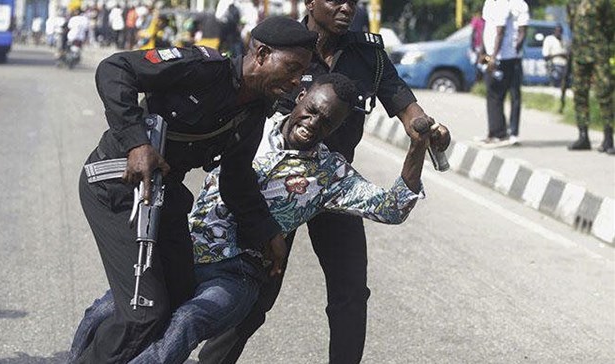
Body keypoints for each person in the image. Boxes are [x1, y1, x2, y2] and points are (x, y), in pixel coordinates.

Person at [68, 73, 432, 364]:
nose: (314, 123)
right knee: (110, 308)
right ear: (301, 98)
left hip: (237, 275)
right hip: (183, 249)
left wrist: (416, 148)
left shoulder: (331, 175)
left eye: (327, 123)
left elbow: (394, 207)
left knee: (186, 322)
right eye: (313, 111)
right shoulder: (249, 129)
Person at [199, 1, 452, 363]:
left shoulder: (370, 57)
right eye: (336, 0)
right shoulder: (284, 43)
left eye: (353, 1)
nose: (346, 7)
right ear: (310, 3)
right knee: (255, 290)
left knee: (350, 293)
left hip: (335, 186)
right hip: (277, 187)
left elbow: (407, 109)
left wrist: (428, 130)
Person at [72, 16, 317, 364]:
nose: (296, 81)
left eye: (301, 72)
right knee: (144, 311)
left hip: (163, 195)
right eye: (291, 68)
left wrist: (268, 231)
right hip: (120, 185)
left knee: (179, 293)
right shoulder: (201, 68)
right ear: (261, 54)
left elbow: (236, 179)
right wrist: (135, 143)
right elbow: (114, 69)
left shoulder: (253, 111)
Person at [477, 0, 529, 147]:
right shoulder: (489, 3)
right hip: (493, 54)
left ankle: (506, 133)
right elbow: (486, 30)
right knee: (492, 93)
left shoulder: (506, 5)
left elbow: (501, 31)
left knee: (505, 94)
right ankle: (494, 132)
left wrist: (495, 56)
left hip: (506, 56)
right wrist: (482, 52)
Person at [566, 0, 614, 154]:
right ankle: (583, 136)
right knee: (579, 93)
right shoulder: (572, 2)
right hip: (579, 52)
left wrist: (602, 43)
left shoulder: (602, 1)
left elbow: (610, 26)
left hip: (598, 52)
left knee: (605, 93)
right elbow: (572, 25)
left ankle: (608, 138)